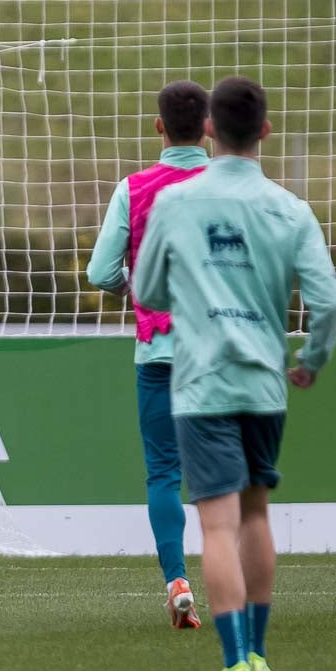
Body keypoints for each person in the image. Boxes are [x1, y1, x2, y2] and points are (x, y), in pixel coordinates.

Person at [133, 76, 336, 671]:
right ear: (265, 132)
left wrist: (197, 293)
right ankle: (260, 650)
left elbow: (146, 291)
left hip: (201, 382)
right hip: (264, 382)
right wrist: (312, 358)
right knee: (256, 514)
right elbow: (330, 299)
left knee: (217, 525)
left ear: (209, 131)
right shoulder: (290, 208)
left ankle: (235, 664)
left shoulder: (175, 203)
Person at [87, 80, 210, 629]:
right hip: (219, 353)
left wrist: (134, 289)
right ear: (207, 126)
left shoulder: (134, 188)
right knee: (225, 474)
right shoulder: (229, 187)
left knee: (164, 474)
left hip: (158, 352)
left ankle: (178, 580)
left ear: (159, 126)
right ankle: (238, 593)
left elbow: (99, 273)